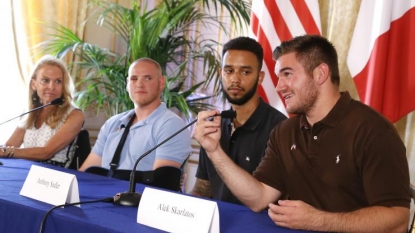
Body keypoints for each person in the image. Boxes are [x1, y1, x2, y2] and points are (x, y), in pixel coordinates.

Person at [193, 35, 410, 232]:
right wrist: (214, 151)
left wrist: (317, 220)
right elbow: (259, 198)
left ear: (320, 74)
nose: (279, 87)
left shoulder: (373, 131)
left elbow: (398, 221)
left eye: (287, 74)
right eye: (279, 77)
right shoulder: (285, 132)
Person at [189, 37, 287, 205]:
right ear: (221, 73)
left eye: (245, 72)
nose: (235, 79)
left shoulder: (280, 128)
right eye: (229, 71)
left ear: (260, 77)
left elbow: (263, 201)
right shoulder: (213, 124)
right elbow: (203, 188)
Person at [79, 58, 191, 173]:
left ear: (161, 83)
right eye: (134, 79)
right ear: (127, 84)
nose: (139, 84)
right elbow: (86, 172)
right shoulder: (113, 123)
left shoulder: (171, 125)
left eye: (148, 78)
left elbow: (160, 183)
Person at [0, 55, 85, 168]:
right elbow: (10, 146)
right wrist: (4, 150)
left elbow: (46, 153)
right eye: (45, 80)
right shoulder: (30, 112)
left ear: (63, 86)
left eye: (58, 81)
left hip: (55, 178)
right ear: (34, 84)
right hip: (27, 171)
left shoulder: (75, 115)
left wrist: (7, 151)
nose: (51, 87)